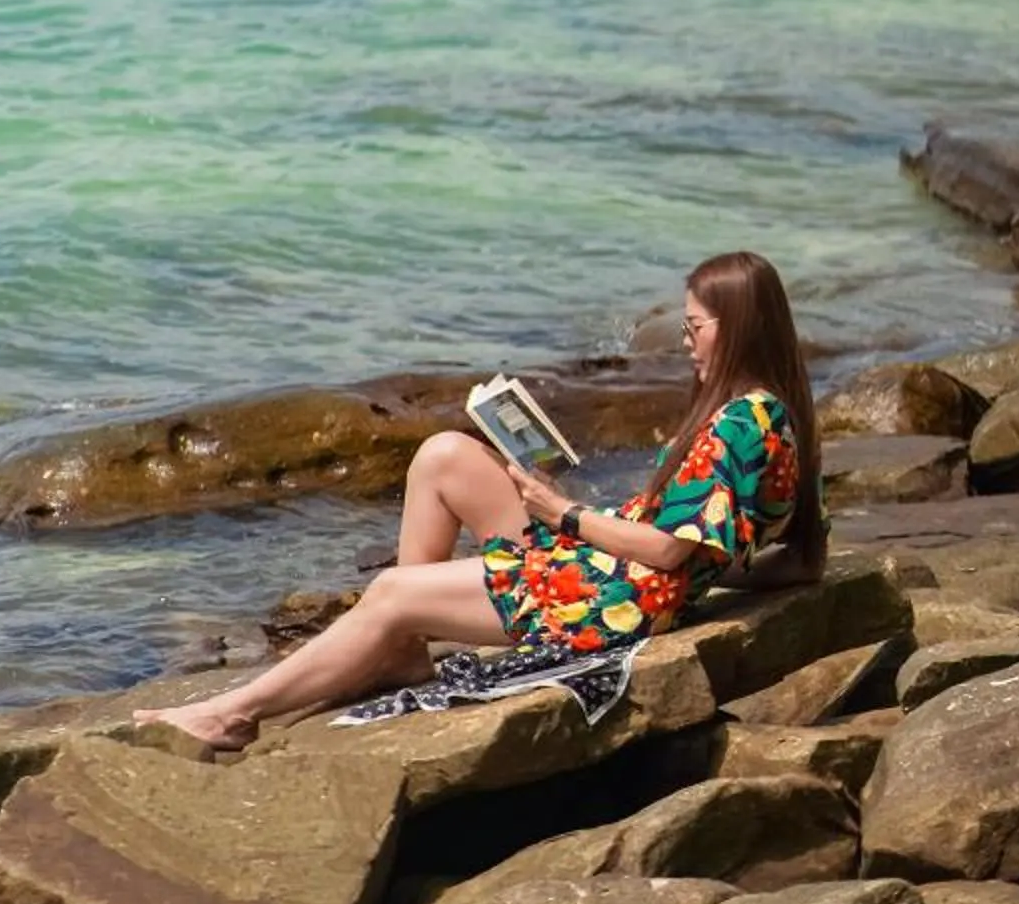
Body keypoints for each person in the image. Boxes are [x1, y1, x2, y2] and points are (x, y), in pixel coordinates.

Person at [140, 248, 826, 755]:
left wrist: (564, 515)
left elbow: (671, 550)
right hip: (613, 561)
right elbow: (788, 560)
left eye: (695, 327)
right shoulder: (771, 412)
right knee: (444, 455)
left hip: (613, 598)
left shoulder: (742, 424)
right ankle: (400, 652)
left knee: (392, 589)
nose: (685, 342)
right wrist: (717, 574)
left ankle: (236, 712)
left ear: (737, 326)